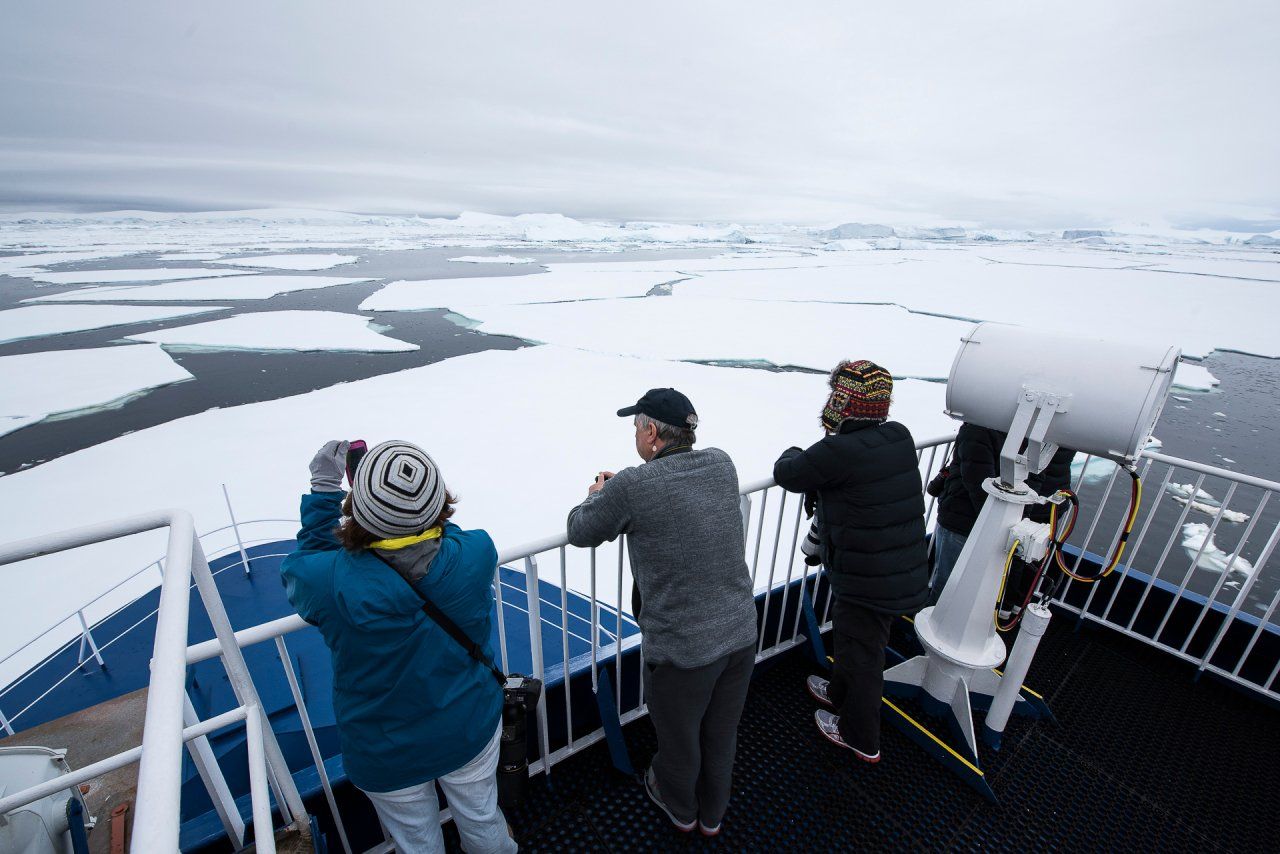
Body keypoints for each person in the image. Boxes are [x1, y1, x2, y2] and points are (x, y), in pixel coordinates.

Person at [281, 440, 517, 854]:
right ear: (437, 503)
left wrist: (325, 490)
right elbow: (447, 535)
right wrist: (411, 511)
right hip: (468, 727)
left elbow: (306, 565)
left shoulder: (330, 582)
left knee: (417, 842)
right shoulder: (477, 552)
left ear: (361, 511)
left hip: (385, 750)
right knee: (482, 819)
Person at [566, 388, 758, 837]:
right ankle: (713, 813)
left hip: (683, 648)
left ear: (651, 432)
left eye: (636, 425)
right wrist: (625, 492)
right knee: (721, 732)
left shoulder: (634, 485)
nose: (636, 433)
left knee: (678, 739)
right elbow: (676, 495)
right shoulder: (721, 463)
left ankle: (679, 808)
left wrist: (600, 494)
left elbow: (580, 529)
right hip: (741, 633)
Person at [773, 360, 929, 763]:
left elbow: (790, 473)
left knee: (863, 657)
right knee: (853, 640)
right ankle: (838, 694)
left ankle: (860, 737)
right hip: (891, 567)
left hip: (868, 577)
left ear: (843, 401)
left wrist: (797, 449)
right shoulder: (897, 435)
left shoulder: (837, 451)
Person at [931, 423, 1075, 607]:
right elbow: (1033, 476)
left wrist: (999, 525)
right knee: (976, 590)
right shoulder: (1031, 428)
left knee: (947, 586)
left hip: (962, 522)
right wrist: (1014, 523)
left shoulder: (980, 424)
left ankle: (934, 623)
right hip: (985, 523)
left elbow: (977, 480)